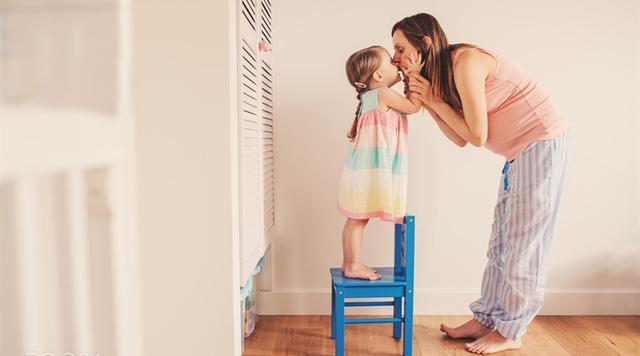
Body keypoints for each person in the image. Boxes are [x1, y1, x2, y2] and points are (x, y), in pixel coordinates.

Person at [391, 13, 574, 354]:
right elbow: (459, 136)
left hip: (542, 144)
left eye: (400, 49)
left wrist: (431, 98)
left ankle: (510, 331)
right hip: (521, 152)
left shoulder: (467, 64)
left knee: (524, 244)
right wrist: (429, 99)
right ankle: (487, 318)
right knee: (502, 241)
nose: (395, 59)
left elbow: (476, 135)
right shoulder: (445, 75)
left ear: (425, 44)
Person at [338, 45, 422, 281]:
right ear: (378, 76)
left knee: (355, 219)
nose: (396, 63)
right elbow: (414, 107)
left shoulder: (370, 97)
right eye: (390, 60)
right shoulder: (383, 93)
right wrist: (414, 74)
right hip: (369, 171)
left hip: (361, 169)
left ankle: (349, 262)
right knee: (357, 220)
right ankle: (352, 264)